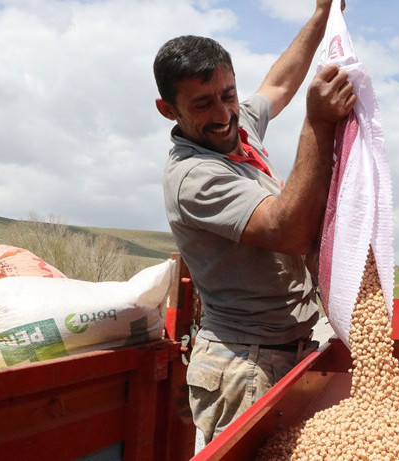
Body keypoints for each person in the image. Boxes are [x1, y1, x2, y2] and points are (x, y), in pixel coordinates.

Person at [152, 0, 355, 444]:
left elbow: (278, 83)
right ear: (168, 109)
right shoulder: (194, 177)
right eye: (202, 104)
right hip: (244, 365)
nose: (224, 115)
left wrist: (322, 14)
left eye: (228, 95)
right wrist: (318, 123)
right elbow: (290, 232)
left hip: (286, 348)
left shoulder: (237, 125)